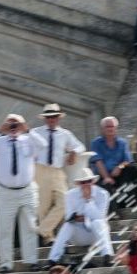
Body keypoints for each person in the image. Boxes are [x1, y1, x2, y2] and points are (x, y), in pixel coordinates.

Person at [0, 113, 40, 274]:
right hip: (5, 191)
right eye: (10, 124)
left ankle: (32, 260)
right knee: (5, 228)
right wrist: (0, 131)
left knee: (30, 226)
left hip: (26, 189)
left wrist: (27, 129)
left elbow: (43, 146)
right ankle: (6, 264)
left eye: (16, 124)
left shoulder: (28, 139)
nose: (13, 127)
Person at [30, 103, 85, 245]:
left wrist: (73, 152)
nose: (51, 119)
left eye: (54, 116)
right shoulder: (36, 132)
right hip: (40, 169)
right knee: (43, 205)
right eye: (48, 117)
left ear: (58, 118)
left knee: (65, 202)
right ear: (44, 119)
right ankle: (48, 237)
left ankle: (42, 230)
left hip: (57, 170)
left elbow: (80, 146)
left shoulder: (65, 134)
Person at [47, 169, 114, 267]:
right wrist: (83, 217)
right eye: (83, 182)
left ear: (93, 181)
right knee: (67, 225)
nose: (86, 184)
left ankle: (107, 256)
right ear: (79, 184)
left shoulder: (103, 194)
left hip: (95, 235)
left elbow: (100, 217)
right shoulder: (70, 195)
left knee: (98, 223)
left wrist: (88, 200)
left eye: (89, 181)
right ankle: (53, 260)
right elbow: (69, 216)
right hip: (78, 235)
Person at [89, 116, 137, 211]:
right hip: (102, 174)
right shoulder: (96, 143)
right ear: (102, 129)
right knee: (105, 184)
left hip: (118, 173)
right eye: (107, 127)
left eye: (112, 126)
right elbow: (98, 161)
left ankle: (134, 202)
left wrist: (119, 167)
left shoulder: (122, 142)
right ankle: (114, 212)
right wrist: (106, 177)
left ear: (116, 128)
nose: (110, 129)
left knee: (133, 170)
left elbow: (127, 160)